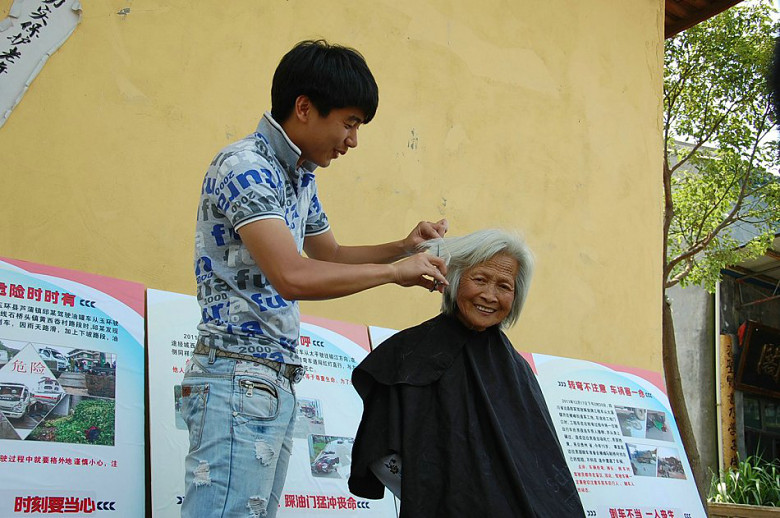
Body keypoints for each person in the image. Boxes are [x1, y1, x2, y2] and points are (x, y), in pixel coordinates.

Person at [180, 40, 449, 518]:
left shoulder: (301, 175)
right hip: (237, 374)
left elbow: (331, 255)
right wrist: (393, 273)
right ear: (304, 108)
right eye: (349, 123)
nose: (353, 140)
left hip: (270, 379)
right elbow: (292, 275)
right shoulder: (246, 166)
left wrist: (404, 247)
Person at [349, 229, 584, 517]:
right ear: (456, 279)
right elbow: (379, 451)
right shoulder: (406, 353)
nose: (489, 296)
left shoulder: (519, 372)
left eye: (504, 286)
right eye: (480, 279)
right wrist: (435, 500)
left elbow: (542, 468)